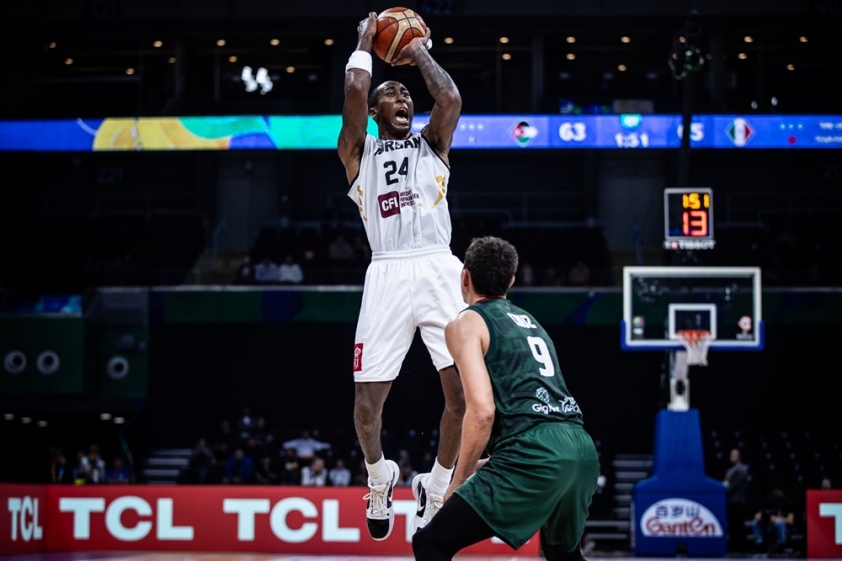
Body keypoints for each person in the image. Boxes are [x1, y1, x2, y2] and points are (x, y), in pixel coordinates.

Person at [337, 12, 466, 541]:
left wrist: (416, 52)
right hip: (386, 270)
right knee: (366, 407)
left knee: (462, 396)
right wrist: (366, 40)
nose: (403, 97)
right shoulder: (357, 151)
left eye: (406, 94)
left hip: (438, 266)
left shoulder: (432, 143)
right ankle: (378, 477)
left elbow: (449, 98)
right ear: (374, 113)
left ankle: (436, 485)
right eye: (391, 93)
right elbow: (354, 88)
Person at [412, 236, 600, 561]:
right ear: (511, 281)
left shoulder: (466, 323)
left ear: (464, 277)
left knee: (431, 543)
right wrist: (478, 465)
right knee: (563, 555)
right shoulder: (532, 324)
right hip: (581, 450)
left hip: (537, 453)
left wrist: (457, 482)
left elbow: (482, 411)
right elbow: (537, 416)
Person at [751, 487, 795, 555]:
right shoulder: (768, 503)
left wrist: (777, 518)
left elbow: (790, 521)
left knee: (778, 523)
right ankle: (760, 543)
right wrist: (763, 517)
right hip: (768, 526)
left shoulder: (787, 504)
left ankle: (781, 545)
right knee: (754, 523)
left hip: (784, 528)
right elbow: (758, 515)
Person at [723, 448, 750, 553]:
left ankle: (741, 548)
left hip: (737, 501)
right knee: (733, 526)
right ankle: (734, 547)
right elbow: (727, 482)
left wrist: (724, 488)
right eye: (731, 455)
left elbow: (733, 486)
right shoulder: (731, 469)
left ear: (739, 457)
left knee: (738, 526)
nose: (731, 457)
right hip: (731, 501)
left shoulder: (742, 469)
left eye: (734, 455)